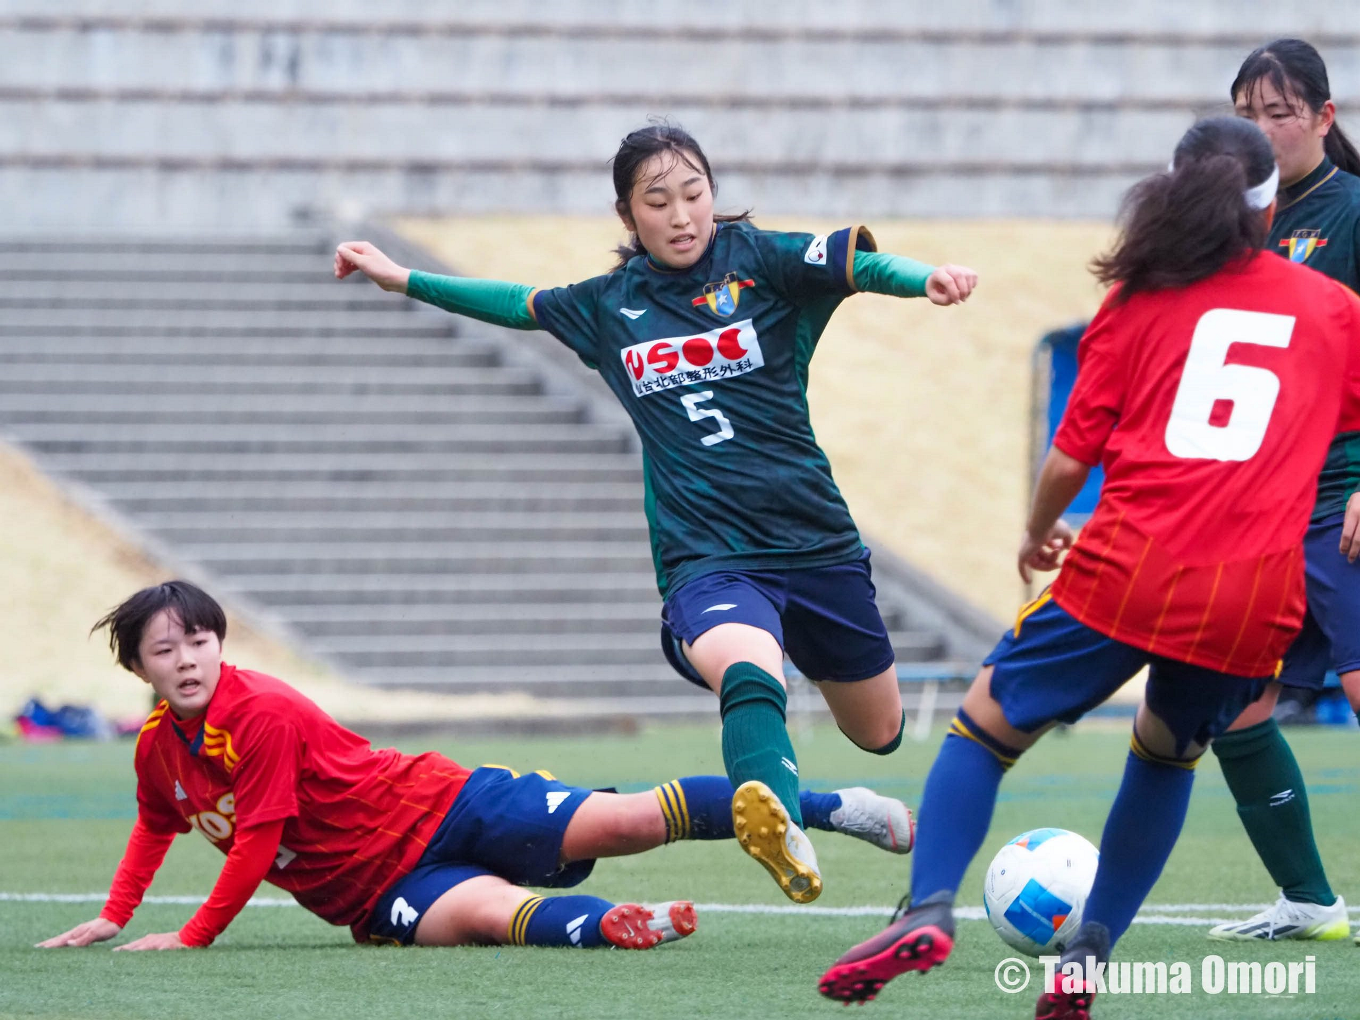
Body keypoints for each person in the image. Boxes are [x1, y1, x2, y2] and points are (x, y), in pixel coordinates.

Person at [333, 123, 975, 902]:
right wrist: (404, 278)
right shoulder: (610, 305)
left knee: (878, 732)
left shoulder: (762, 259)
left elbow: (861, 264)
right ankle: (780, 823)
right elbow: (515, 303)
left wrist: (924, 278)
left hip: (816, 544)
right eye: (658, 200)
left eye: (694, 193)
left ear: (713, 193)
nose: (681, 214)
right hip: (709, 555)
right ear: (627, 215)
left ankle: (828, 789)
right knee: (747, 666)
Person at [816, 115, 1360, 1019]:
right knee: (1166, 753)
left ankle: (928, 908)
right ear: (1268, 213)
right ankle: (1086, 959)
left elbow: (1070, 463)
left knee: (984, 728)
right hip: (1254, 594)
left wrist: (1035, 534)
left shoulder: (1139, 297)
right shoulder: (1333, 310)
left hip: (1133, 565)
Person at [37, 581, 915, 952]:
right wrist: (115, 917)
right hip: (372, 894)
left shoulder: (257, 711)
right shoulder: (158, 746)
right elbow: (157, 821)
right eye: (166, 648)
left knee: (627, 820)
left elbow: (258, 838)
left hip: (444, 806)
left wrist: (190, 939)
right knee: (489, 917)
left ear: (220, 641)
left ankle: (832, 806)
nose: (188, 657)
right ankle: (614, 923)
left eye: (200, 638)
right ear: (140, 667)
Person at [1204, 38, 1360, 945]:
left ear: (1325, 118)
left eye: (1280, 112)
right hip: (1258, 510)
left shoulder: (1351, 212)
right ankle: (1307, 900)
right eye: (1246, 115)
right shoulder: (1228, 226)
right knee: (1234, 704)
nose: (1260, 131)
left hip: (1341, 495)